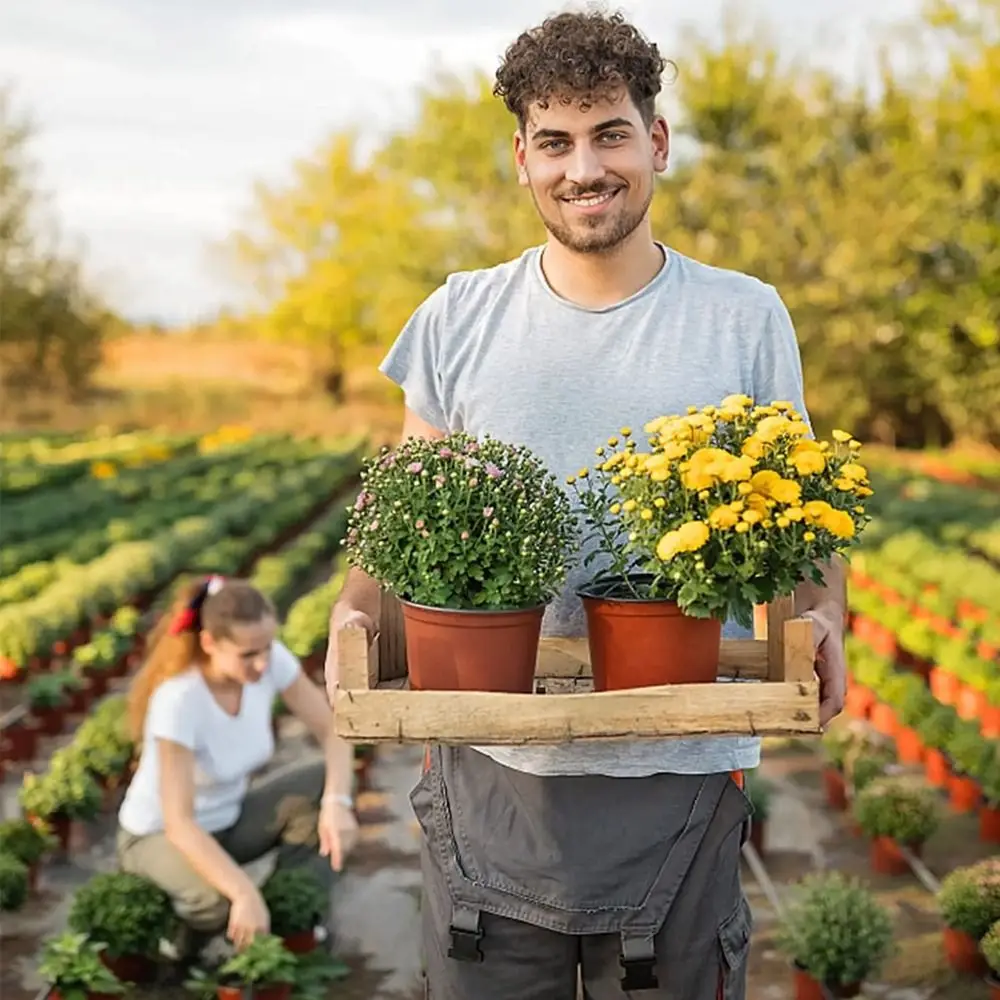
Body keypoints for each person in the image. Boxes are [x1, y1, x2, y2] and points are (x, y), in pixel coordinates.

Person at [324, 9, 847, 999]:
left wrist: (823, 616)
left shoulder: (741, 316)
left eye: (608, 133)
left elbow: (804, 510)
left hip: (679, 765)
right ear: (520, 156)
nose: (583, 168)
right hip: (490, 766)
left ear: (654, 141)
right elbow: (406, 507)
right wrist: (355, 613)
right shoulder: (457, 316)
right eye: (554, 142)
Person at [117, 575, 358, 956]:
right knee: (222, 903)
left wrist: (337, 804)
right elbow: (179, 822)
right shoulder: (179, 701)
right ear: (209, 643)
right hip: (157, 835)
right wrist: (243, 890)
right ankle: (180, 945)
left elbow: (333, 729)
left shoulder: (267, 659)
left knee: (319, 783)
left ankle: (289, 917)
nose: (262, 663)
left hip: (228, 820)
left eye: (266, 647)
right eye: (248, 655)